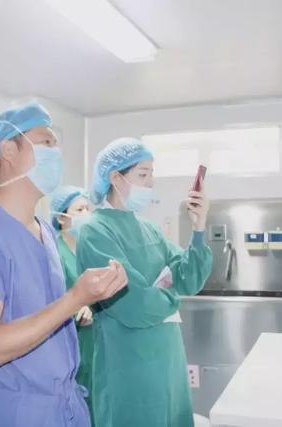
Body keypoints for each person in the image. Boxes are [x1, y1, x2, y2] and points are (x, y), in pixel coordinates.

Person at [0, 103, 127, 427]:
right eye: (46, 142)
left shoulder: (44, 231)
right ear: (8, 150)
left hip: (64, 408)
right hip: (17, 413)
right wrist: (75, 298)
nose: (56, 153)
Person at [76, 137, 213, 427]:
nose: (150, 182)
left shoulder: (149, 229)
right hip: (129, 369)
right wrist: (172, 296)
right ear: (116, 177)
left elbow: (188, 278)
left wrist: (199, 226)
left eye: (152, 173)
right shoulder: (95, 232)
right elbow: (134, 304)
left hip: (169, 364)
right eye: (142, 174)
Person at [49, 186, 95, 421]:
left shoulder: (93, 248)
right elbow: (50, 299)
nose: (87, 214)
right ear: (61, 218)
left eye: (88, 208)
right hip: (70, 343)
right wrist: (77, 307)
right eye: (79, 209)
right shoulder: (53, 252)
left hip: (98, 342)